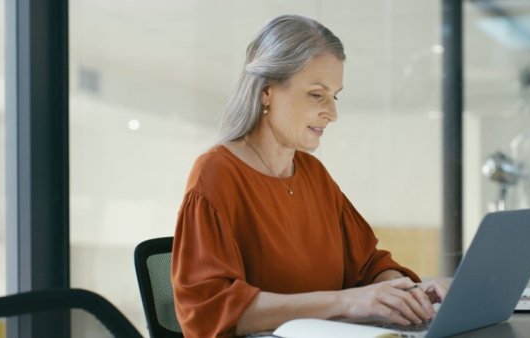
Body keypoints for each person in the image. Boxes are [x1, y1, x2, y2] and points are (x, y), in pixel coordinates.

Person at [171, 14, 448, 338]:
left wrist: (402, 292)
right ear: (267, 91)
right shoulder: (216, 174)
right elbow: (210, 309)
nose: (332, 113)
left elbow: (367, 265)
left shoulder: (313, 174)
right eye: (317, 95)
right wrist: (344, 302)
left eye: (335, 96)